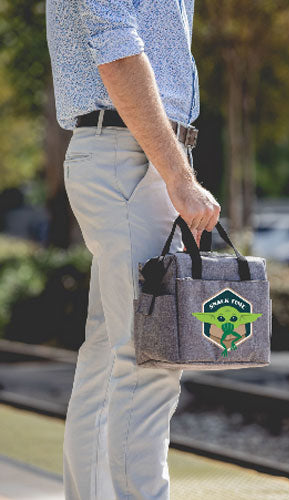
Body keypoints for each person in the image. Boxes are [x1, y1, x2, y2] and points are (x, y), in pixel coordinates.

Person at [45, 0, 221, 498]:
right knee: (152, 358)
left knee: (110, 354)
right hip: (132, 157)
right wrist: (179, 178)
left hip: (131, 152)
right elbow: (117, 50)